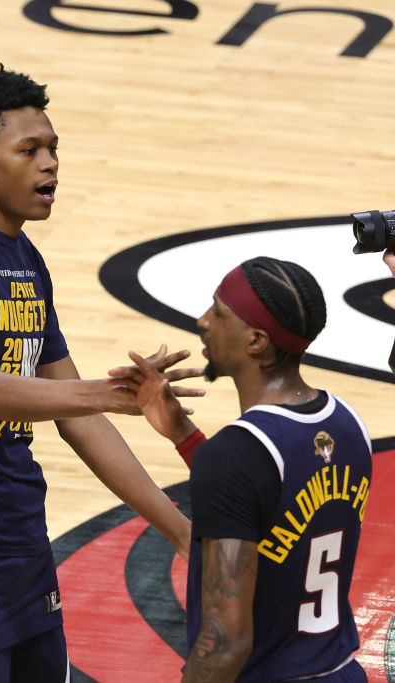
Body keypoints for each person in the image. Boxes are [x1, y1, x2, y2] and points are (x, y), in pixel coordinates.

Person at [0, 66, 199, 682]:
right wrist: (106, 393)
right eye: (28, 150)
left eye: (53, 148)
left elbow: (81, 423)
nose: (49, 163)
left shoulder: (26, 260)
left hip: (16, 528)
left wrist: (179, 531)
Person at [113, 257, 372, 682]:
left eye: (218, 311)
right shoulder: (347, 424)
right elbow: (269, 502)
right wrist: (183, 434)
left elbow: (225, 643)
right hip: (341, 671)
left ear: (255, 341)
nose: (203, 321)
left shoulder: (237, 454)